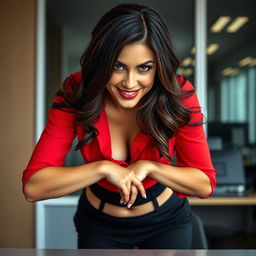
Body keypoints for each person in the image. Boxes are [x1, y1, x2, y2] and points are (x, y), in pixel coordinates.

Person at [22, 3, 216, 249]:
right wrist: (103, 169)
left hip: (166, 222)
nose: (130, 82)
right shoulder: (77, 91)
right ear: (101, 62)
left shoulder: (179, 95)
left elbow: (204, 184)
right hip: (98, 224)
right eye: (118, 66)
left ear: (159, 67)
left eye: (144, 68)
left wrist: (150, 167)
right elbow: (34, 187)